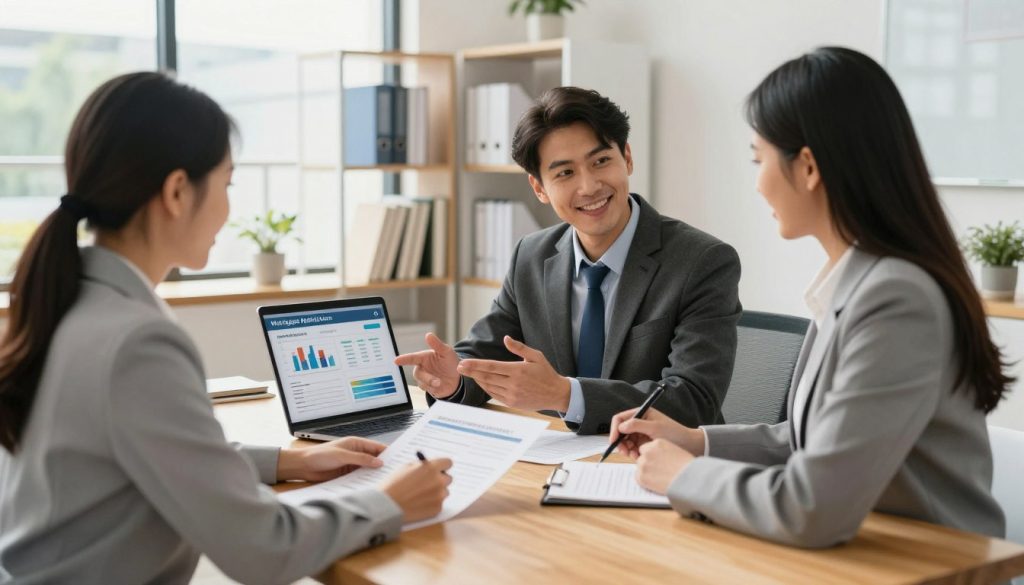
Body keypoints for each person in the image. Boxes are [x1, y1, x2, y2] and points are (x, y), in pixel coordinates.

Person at [0, 72, 452, 584]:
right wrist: (388, 502)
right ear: (176, 191)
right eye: (227, 184)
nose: (229, 207)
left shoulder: (69, 299)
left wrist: (288, 462)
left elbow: (145, 450)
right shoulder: (137, 341)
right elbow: (263, 550)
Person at [609, 47, 1010, 547]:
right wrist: (695, 441)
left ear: (809, 168)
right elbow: (809, 441)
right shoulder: (854, 279)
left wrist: (681, 476)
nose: (757, 184)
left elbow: (812, 506)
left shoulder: (896, 300)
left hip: (928, 566)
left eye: (760, 159)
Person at [396, 87, 742, 435]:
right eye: (564, 173)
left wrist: (566, 395)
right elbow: (488, 354)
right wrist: (454, 378)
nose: (589, 186)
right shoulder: (531, 256)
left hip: (660, 463)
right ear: (539, 188)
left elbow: (693, 400)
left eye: (601, 161)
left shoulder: (703, 261)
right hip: (559, 457)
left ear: (627, 157)